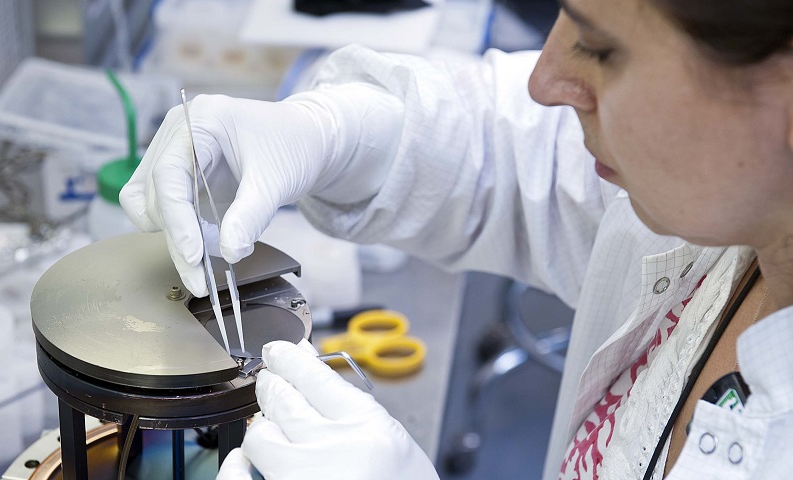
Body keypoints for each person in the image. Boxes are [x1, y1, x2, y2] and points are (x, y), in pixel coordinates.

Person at [119, 0, 793, 477]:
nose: (545, 79)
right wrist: (340, 133)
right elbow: (515, 151)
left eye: (598, 46)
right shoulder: (731, 207)